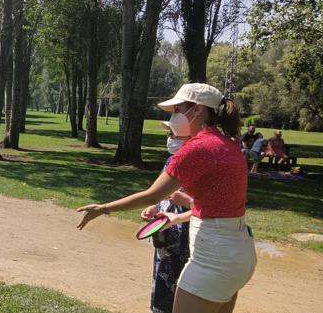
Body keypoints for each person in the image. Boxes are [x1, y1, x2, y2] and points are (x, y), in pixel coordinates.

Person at [77, 83, 256, 313]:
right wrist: (174, 218)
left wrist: (102, 208)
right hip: (240, 255)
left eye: (177, 110)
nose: (173, 117)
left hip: (214, 258)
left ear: (198, 110)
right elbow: (220, 210)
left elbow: (152, 195)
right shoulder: (230, 146)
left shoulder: (197, 148)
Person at [141, 121, 192, 313]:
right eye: (169, 134)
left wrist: (186, 201)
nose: (169, 139)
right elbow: (158, 193)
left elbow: (210, 206)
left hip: (187, 239)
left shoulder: (197, 162)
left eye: (173, 134)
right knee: (161, 284)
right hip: (165, 236)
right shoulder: (171, 161)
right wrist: (152, 208)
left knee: (182, 291)